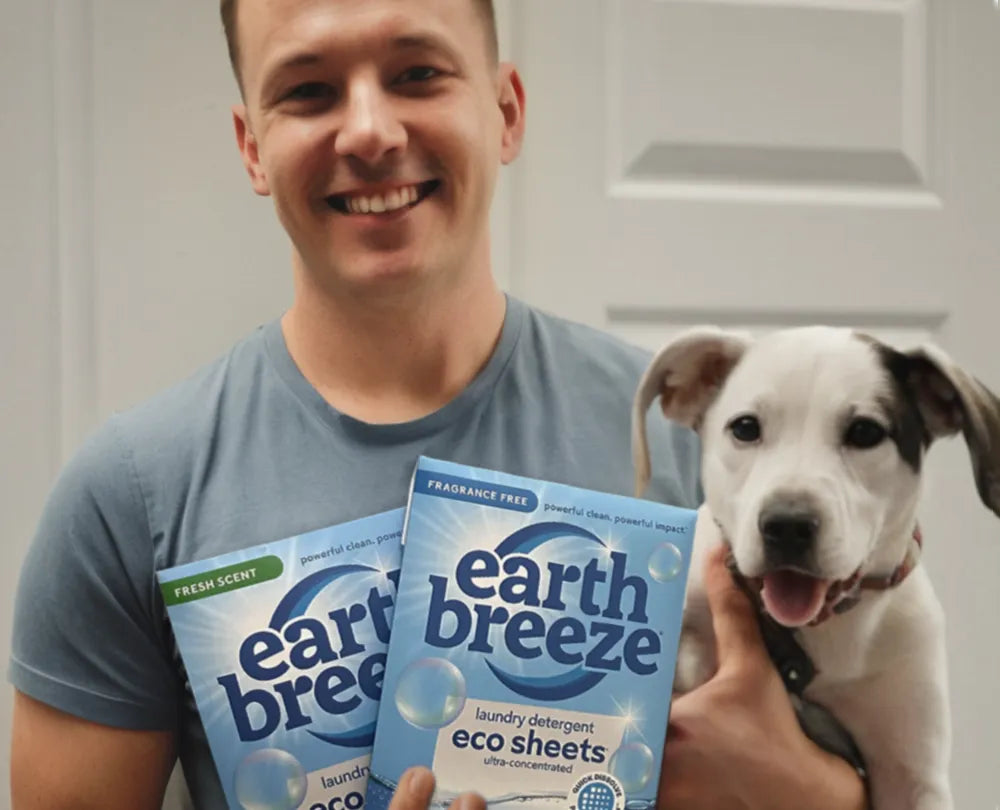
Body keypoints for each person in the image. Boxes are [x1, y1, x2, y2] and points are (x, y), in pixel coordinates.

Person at [7, 0, 867, 808]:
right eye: (308, 90)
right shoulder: (130, 496)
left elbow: (891, 748)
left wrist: (815, 793)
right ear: (251, 146)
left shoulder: (704, 447)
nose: (371, 131)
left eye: (418, 73)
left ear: (507, 112)